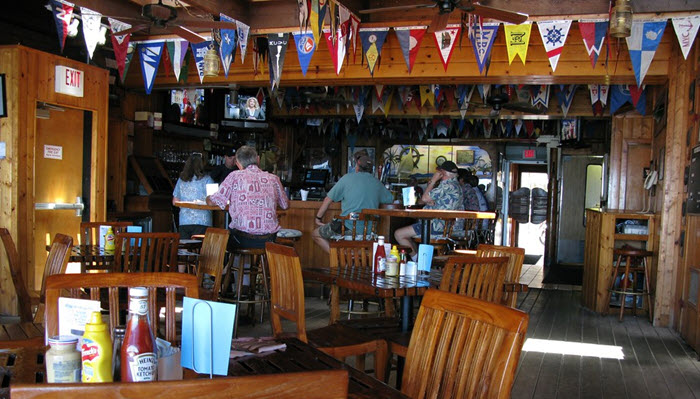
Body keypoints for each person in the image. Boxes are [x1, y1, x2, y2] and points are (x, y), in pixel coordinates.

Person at [206, 145, 288, 249]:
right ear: (258, 159)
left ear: (238, 163)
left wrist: (208, 197)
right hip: (269, 240)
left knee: (220, 237)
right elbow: (285, 205)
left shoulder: (234, 176)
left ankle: (229, 264)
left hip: (241, 239)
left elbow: (212, 202)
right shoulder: (274, 178)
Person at [313, 152, 394, 254]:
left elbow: (327, 200)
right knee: (359, 243)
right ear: (371, 169)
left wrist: (318, 218)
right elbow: (390, 199)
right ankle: (350, 258)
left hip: (346, 228)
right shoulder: (377, 183)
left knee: (316, 234)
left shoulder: (347, 178)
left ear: (357, 166)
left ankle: (339, 257)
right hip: (369, 232)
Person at [395, 160, 464, 258]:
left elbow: (424, 199)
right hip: (446, 226)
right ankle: (420, 260)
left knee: (399, 234)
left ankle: (417, 262)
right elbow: (434, 201)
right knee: (409, 235)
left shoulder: (447, 185)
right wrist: (432, 202)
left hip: (435, 225)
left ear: (442, 173)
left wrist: (433, 181)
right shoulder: (457, 186)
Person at [172, 154, 214, 239]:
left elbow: (174, 201)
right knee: (200, 249)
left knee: (185, 250)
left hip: (184, 221)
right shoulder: (208, 179)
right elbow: (214, 201)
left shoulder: (181, 180)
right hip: (203, 221)